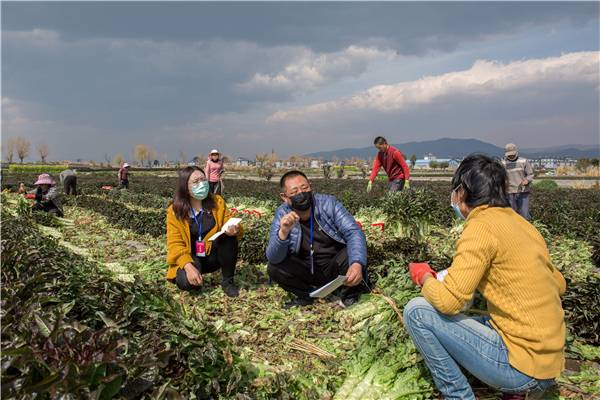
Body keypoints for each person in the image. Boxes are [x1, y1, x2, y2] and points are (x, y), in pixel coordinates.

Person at [403, 154, 566, 400]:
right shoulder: (523, 226)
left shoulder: (480, 226)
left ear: (461, 192)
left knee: (417, 311)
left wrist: (424, 276)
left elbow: (449, 303)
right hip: (550, 364)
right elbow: (559, 284)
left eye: (454, 191)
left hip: (522, 369)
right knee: (484, 319)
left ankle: (459, 396)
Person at [266, 170, 369, 309]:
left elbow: (353, 232)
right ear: (284, 197)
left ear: (311, 186)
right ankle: (306, 296)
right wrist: (283, 232)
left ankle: (348, 294)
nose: (301, 194)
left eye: (304, 188)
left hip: (335, 265)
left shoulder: (328, 204)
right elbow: (273, 257)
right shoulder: (282, 214)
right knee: (274, 268)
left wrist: (357, 263)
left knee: (353, 253)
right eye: (294, 191)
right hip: (306, 269)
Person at [166, 166, 243, 297]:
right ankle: (196, 274)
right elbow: (175, 243)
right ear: (185, 186)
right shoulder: (175, 211)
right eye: (196, 181)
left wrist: (235, 229)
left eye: (203, 180)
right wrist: (188, 266)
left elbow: (231, 221)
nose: (201, 184)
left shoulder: (217, 202)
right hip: (192, 257)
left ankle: (228, 282)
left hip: (213, 255)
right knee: (185, 283)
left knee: (228, 238)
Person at [502, 143, 534, 220]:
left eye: (512, 154)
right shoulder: (502, 163)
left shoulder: (523, 161)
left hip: (522, 191)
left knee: (524, 214)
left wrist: (527, 180)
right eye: (509, 155)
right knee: (512, 215)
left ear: (516, 152)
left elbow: (530, 174)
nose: (511, 156)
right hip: (509, 192)